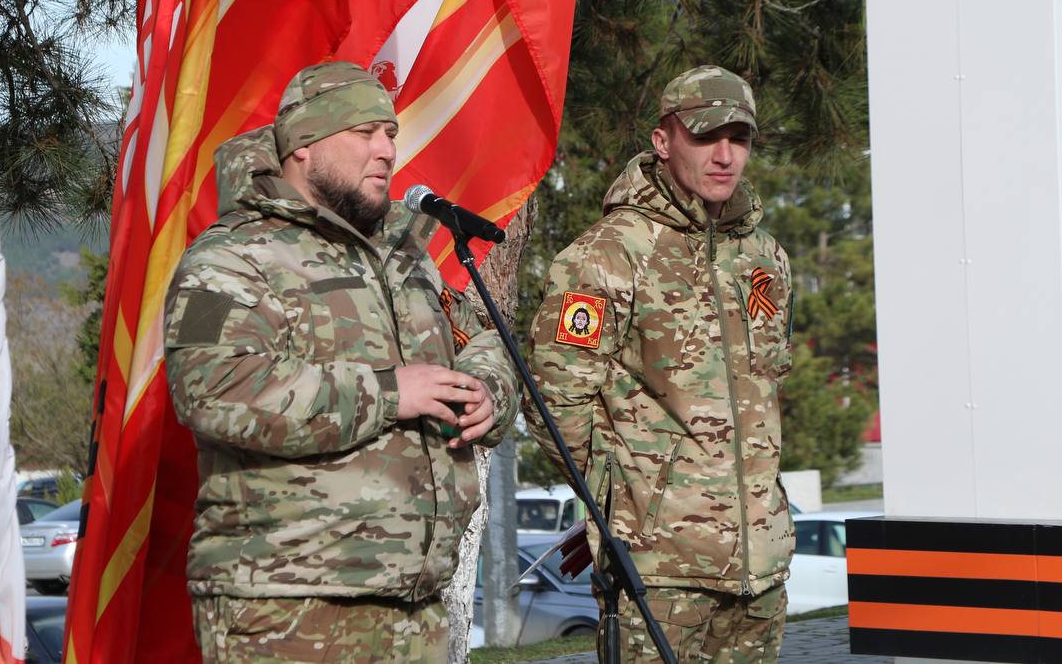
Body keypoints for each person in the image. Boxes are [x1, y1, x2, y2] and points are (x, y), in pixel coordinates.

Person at [164, 61, 518, 664]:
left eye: (390, 134)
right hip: (287, 603)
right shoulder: (231, 256)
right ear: (302, 145)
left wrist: (488, 390)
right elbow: (213, 391)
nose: (386, 150)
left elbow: (482, 338)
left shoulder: (404, 258)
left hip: (414, 602)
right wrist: (387, 392)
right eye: (364, 132)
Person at [526, 66, 794, 662]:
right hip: (659, 572)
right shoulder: (606, 257)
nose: (725, 156)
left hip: (762, 568)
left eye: (740, 138)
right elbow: (554, 402)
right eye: (705, 137)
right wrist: (626, 503)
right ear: (662, 140)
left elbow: (766, 393)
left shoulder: (764, 256)